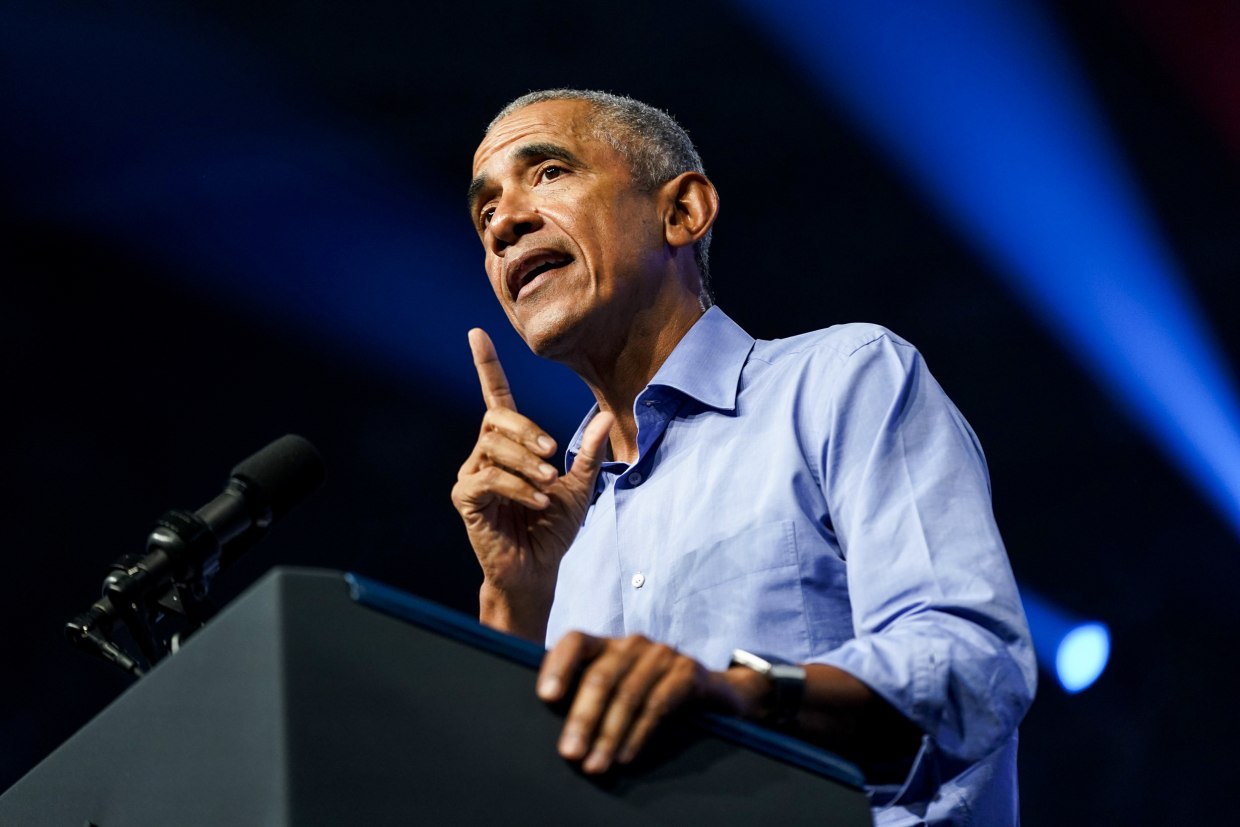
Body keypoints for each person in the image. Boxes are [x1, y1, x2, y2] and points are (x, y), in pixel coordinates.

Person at [452, 89, 1036, 825]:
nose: (503, 223)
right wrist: (515, 600)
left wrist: (742, 695)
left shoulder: (842, 379)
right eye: (484, 214)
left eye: (548, 173)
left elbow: (972, 663)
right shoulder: (560, 523)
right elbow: (508, 796)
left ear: (682, 212)